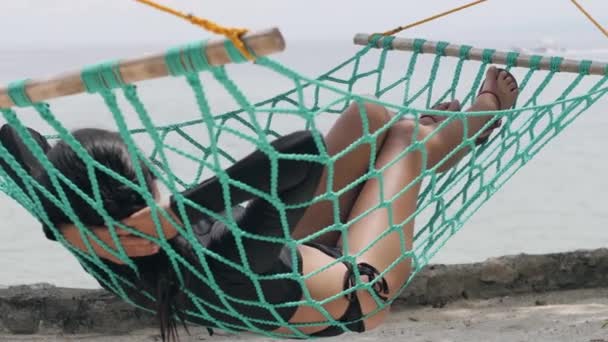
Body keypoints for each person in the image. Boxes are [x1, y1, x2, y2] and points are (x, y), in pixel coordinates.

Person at [0, 67, 518, 340]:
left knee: (367, 115)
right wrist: (180, 212)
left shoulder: (67, 221)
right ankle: (481, 118)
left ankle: (429, 144)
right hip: (356, 288)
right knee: (402, 136)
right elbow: (300, 154)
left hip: (284, 250)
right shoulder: (219, 258)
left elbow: (14, 141)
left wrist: (64, 227)